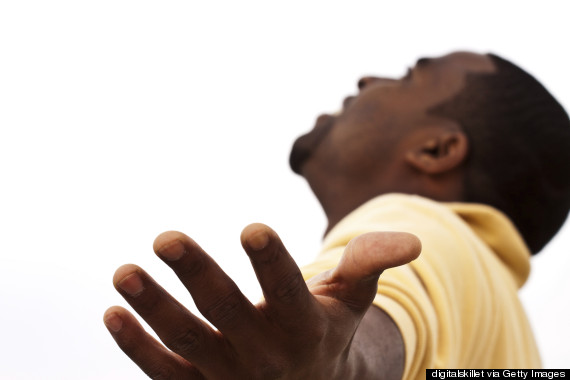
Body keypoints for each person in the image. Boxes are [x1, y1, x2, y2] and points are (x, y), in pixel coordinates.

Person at [103, 51, 570, 379]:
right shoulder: (512, 336)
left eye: (409, 76)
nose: (368, 80)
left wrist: (336, 363)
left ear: (435, 150)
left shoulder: (422, 224)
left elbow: (381, 323)